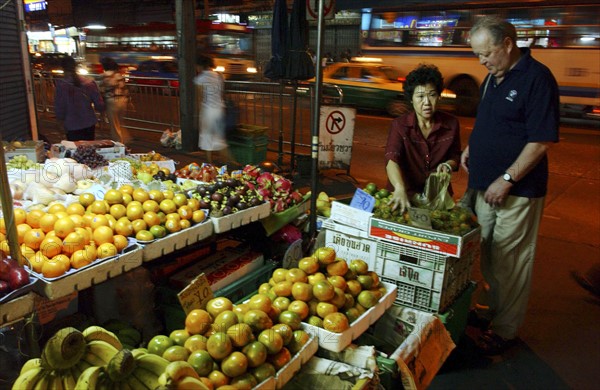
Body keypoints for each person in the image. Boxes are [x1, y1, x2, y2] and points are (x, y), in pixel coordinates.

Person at [460, 16, 560, 355]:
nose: (482, 61)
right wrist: (472, 146)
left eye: (486, 53)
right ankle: (490, 311)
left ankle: (505, 329)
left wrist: (507, 178)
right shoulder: (493, 78)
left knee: (511, 262)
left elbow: (541, 140)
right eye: (477, 55)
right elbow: (490, 121)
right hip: (484, 187)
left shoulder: (536, 79)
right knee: (489, 255)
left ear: (507, 44)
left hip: (516, 191)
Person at [385, 63, 461, 212]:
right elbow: (391, 159)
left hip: (437, 198)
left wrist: (448, 165)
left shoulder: (451, 124)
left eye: (432, 95)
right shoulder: (400, 126)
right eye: (420, 96)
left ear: (439, 96)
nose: (426, 102)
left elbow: (455, 156)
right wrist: (399, 188)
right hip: (404, 198)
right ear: (411, 99)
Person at [54, 56, 105, 141]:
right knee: (89, 150)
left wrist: (60, 122)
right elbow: (99, 104)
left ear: (63, 68)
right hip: (89, 123)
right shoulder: (89, 83)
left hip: (71, 125)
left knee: (75, 150)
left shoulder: (62, 86)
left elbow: (60, 107)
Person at [194, 54, 231, 163]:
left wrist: (198, 114)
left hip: (208, 110)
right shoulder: (219, 76)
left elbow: (200, 98)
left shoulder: (200, 79)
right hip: (219, 109)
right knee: (219, 136)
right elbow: (221, 94)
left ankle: (209, 163)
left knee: (206, 137)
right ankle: (229, 161)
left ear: (200, 65)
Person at [100, 57, 130, 144]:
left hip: (111, 102)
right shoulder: (118, 75)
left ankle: (118, 143)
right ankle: (125, 139)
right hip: (123, 100)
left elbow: (101, 89)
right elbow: (125, 88)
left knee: (114, 124)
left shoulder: (105, 75)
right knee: (120, 122)